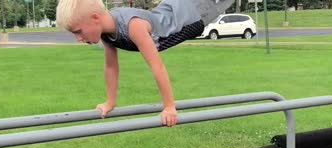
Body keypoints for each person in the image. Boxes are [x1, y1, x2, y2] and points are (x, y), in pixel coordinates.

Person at [56, 0, 234, 127]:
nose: (78, 38)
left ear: (95, 18)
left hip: (191, 15)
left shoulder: (134, 27)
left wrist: (169, 107)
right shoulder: (106, 32)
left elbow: (157, 66)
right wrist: (109, 102)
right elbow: (111, 67)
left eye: (78, 32)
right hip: (172, 8)